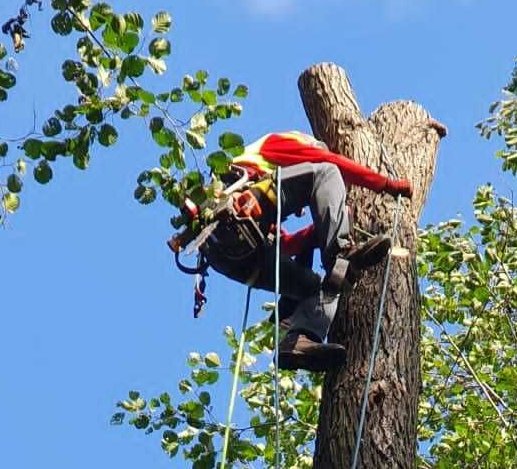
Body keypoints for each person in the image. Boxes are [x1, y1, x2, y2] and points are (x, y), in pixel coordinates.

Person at [173, 131, 413, 371]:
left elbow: (286, 245)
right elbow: (331, 164)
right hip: (233, 216)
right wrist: (386, 185)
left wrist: (319, 231)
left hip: (236, 259)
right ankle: (341, 252)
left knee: (317, 286)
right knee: (327, 174)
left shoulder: (261, 220)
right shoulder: (280, 143)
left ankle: (299, 340)